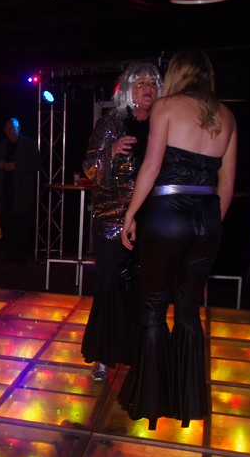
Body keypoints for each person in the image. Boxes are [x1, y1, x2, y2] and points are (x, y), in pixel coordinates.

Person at [119, 49, 238, 430]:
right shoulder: (227, 116)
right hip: (207, 218)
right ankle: (186, 403)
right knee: (189, 312)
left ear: (178, 74)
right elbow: (227, 185)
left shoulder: (167, 107)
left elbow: (151, 167)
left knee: (153, 308)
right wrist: (208, 227)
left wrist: (131, 214)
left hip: (167, 215)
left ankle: (150, 402)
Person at [81, 63, 162, 381]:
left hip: (149, 219)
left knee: (142, 289)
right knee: (109, 286)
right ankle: (104, 356)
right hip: (111, 220)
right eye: (141, 83)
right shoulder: (111, 122)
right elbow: (90, 168)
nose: (147, 88)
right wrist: (111, 151)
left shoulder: (162, 123)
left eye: (152, 83)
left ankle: (135, 354)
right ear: (129, 89)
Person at [0, 117, 40, 263]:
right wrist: (0, 164)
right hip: (6, 190)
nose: (10, 131)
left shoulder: (29, 144)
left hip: (22, 191)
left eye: (13, 128)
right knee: (9, 223)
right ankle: (11, 254)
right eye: (7, 128)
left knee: (22, 223)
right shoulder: (2, 145)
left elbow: (36, 165)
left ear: (19, 128)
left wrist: (17, 166)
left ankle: (22, 255)